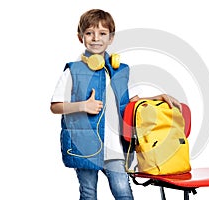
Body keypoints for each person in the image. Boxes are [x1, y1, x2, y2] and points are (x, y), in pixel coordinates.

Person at [50, 9, 181, 200]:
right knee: (88, 192)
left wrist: (156, 97)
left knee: (122, 191)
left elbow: (130, 103)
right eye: (89, 33)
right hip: (84, 146)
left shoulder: (121, 71)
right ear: (80, 37)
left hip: (114, 146)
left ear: (111, 38)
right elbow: (55, 106)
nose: (96, 38)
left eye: (102, 33)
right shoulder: (73, 71)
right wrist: (82, 106)